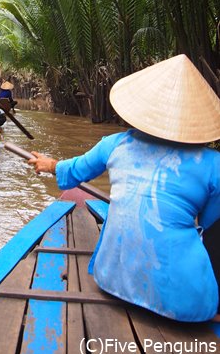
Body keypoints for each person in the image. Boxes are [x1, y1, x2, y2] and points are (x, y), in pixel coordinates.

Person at [28, 54, 220, 323]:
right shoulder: (214, 163)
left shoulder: (115, 144)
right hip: (185, 304)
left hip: (112, 280)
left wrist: (49, 165)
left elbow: (75, 170)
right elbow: (211, 229)